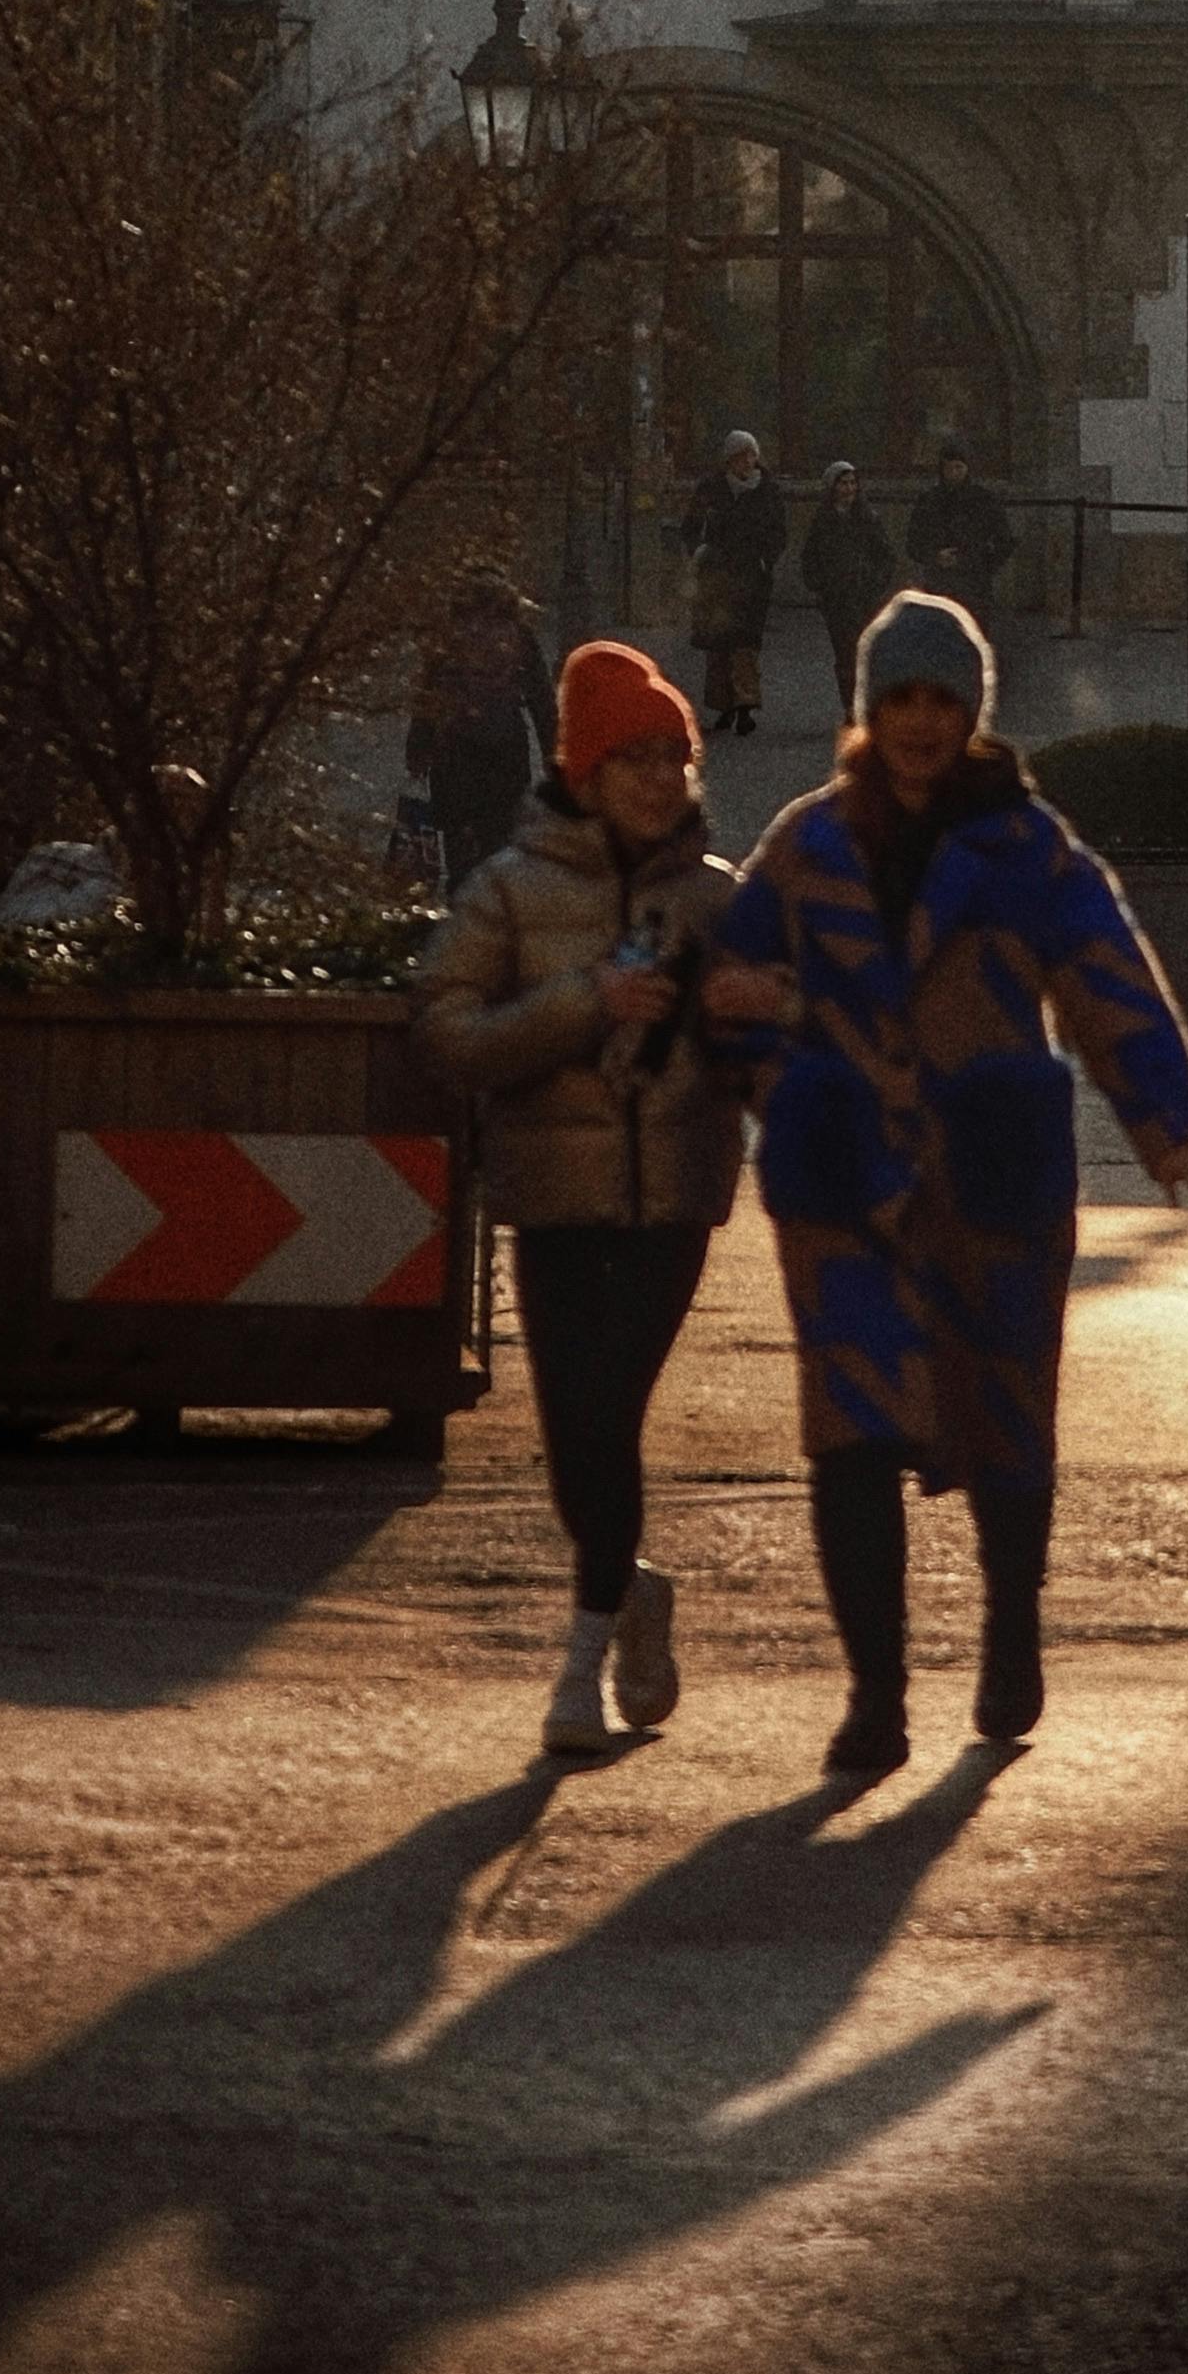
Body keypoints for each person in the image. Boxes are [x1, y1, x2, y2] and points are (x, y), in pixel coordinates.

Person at [717, 587, 1188, 1789]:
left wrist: (1169, 1128)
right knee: (847, 1437)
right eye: (901, 697)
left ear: (972, 709)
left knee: (1006, 1424)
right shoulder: (806, 844)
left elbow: (1110, 982)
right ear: (868, 707)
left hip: (990, 1179)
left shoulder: (1027, 846)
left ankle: (1008, 1632)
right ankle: (875, 1697)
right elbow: (727, 985)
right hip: (844, 1182)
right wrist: (786, 1082)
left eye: (943, 698)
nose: (921, 721)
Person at [416, 638, 763, 1761]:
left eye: (674, 754)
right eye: (634, 756)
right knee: (577, 1434)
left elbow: (788, 1029)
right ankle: (631, 1589)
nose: (660, 777)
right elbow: (446, 1032)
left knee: (608, 1410)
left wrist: (753, 1007)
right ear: (584, 765)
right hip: (552, 1194)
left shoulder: (717, 896)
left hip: (675, 1194)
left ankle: (579, 1667)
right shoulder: (510, 890)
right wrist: (583, 999)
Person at [402, 573, 549, 885]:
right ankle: (498, 911)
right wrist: (554, 755)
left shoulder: (448, 638)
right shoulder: (519, 638)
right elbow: (542, 701)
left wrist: (418, 748)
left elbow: (429, 697)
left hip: (454, 757)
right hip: (506, 755)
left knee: (459, 849)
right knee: (503, 847)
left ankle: (462, 914)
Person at [681, 432, 788, 744]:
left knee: (745, 643)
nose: (747, 462)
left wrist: (766, 559)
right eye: (741, 456)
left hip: (751, 576)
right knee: (717, 644)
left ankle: (745, 706)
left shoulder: (767, 491)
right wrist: (699, 551)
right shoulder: (711, 489)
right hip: (716, 576)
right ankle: (722, 705)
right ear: (729, 460)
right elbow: (691, 526)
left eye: (751, 455)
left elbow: (778, 532)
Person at [799, 459, 898, 714]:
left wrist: (874, 582)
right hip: (836, 599)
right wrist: (821, 585)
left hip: (864, 597)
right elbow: (810, 558)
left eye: (852, 483)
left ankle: (867, 704)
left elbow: (886, 555)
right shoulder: (823, 521)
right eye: (843, 483)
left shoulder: (867, 518)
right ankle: (851, 707)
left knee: (866, 652)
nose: (849, 489)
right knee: (845, 655)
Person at [902, 441, 1017, 637]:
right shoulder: (929, 501)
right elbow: (913, 541)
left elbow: (1004, 540)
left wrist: (980, 563)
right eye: (949, 468)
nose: (954, 473)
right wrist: (934, 556)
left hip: (974, 583)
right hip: (939, 582)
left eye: (959, 467)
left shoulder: (984, 500)